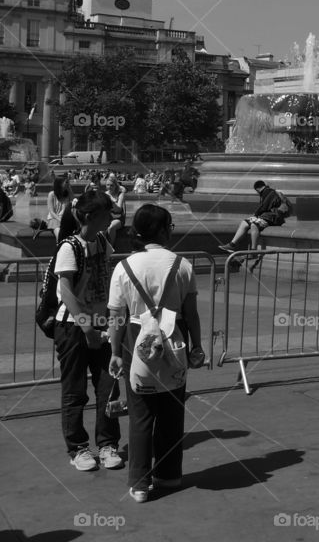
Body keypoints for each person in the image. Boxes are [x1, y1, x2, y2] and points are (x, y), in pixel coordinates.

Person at [108, 204, 205, 503]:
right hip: (174, 337)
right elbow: (191, 313)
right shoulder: (182, 265)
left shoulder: (124, 267)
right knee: (172, 409)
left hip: (136, 340)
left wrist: (115, 352)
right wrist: (197, 347)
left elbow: (116, 316)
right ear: (162, 230)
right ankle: (169, 473)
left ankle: (139, 482)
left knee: (140, 413)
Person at [53, 191, 119, 473]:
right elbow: (66, 291)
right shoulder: (69, 246)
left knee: (108, 387)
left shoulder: (103, 241)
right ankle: (78, 447)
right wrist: (87, 327)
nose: (113, 217)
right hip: (73, 326)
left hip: (101, 324)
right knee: (75, 391)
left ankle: (107, 443)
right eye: (108, 213)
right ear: (91, 216)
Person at [219, 180, 289, 256]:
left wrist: (255, 215)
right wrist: (255, 216)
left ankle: (253, 251)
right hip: (267, 217)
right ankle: (232, 245)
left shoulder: (268, 192)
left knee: (254, 225)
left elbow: (264, 207)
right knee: (245, 222)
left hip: (273, 218)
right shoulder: (268, 192)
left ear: (257, 189)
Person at [47, 176, 72, 240]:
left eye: (67, 182)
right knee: (59, 233)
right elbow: (51, 212)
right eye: (65, 182)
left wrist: (69, 188)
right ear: (59, 184)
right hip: (54, 219)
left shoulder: (67, 194)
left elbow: (73, 201)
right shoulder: (51, 194)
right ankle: (60, 245)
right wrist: (60, 219)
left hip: (64, 218)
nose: (66, 183)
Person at [104, 175, 126, 241]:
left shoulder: (120, 194)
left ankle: (111, 248)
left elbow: (119, 209)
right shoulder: (105, 194)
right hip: (108, 217)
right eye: (107, 185)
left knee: (111, 227)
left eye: (111, 185)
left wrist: (111, 201)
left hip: (118, 218)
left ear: (115, 186)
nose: (109, 187)